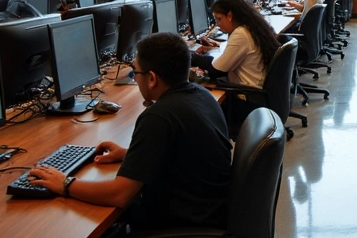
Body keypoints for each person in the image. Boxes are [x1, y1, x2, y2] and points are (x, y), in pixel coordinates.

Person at [28, 32, 232, 233]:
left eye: (136, 73)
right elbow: (186, 152)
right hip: (210, 210)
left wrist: (65, 184)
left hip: (184, 222)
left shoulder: (159, 116)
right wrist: (132, 154)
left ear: (152, 78)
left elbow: (120, 195)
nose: (135, 78)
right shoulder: (202, 95)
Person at [192, 0, 282, 128]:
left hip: (247, 100)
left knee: (198, 109)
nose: (218, 25)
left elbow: (217, 70)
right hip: (258, 94)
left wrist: (190, 56)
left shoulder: (241, 34)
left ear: (230, 15)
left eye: (219, 19)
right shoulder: (251, 27)